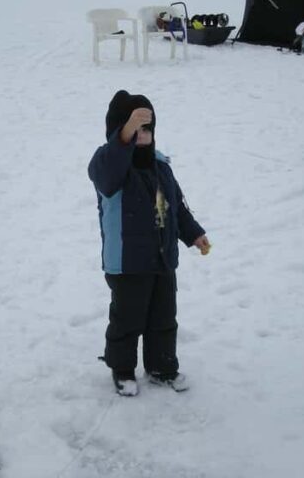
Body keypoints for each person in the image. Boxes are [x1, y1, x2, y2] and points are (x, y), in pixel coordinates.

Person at [88, 90, 211, 396]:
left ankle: (162, 367)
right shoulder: (109, 168)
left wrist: (193, 233)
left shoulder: (161, 166)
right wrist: (125, 134)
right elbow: (108, 168)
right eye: (134, 128)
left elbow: (176, 206)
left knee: (163, 318)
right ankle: (122, 370)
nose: (142, 134)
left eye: (147, 128)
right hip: (127, 262)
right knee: (127, 320)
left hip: (162, 259)